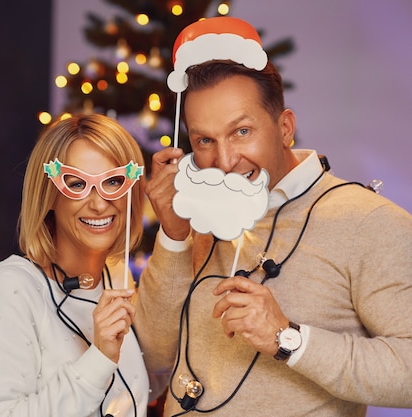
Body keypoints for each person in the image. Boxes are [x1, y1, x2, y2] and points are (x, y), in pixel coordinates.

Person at [135, 16, 412, 417]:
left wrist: (288, 339)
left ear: (285, 127)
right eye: (204, 140)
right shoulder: (202, 213)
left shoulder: (368, 221)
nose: (225, 161)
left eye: (242, 131)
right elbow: (155, 358)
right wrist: (174, 236)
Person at [0, 113, 153, 417]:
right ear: (49, 196)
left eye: (113, 181)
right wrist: (98, 359)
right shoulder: (13, 290)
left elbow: (148, 383)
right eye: (77, 184)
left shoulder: (116, 276)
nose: (99, 203)